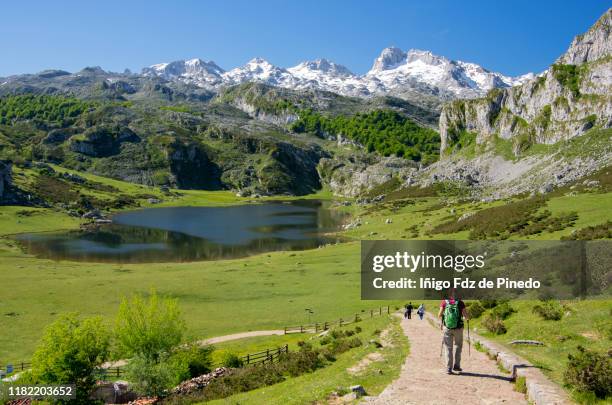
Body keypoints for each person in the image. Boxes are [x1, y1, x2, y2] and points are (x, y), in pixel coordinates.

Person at [438, 290, 469, 374]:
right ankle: (457, 366)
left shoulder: (444, 302)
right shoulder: (461, 303)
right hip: (458, 328)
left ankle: (448, 368)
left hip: (447, 328)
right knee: (458, 346)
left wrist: (444, 320)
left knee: (448, 348)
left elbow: (439, 314)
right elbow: (466, 316)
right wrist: (466, 318)